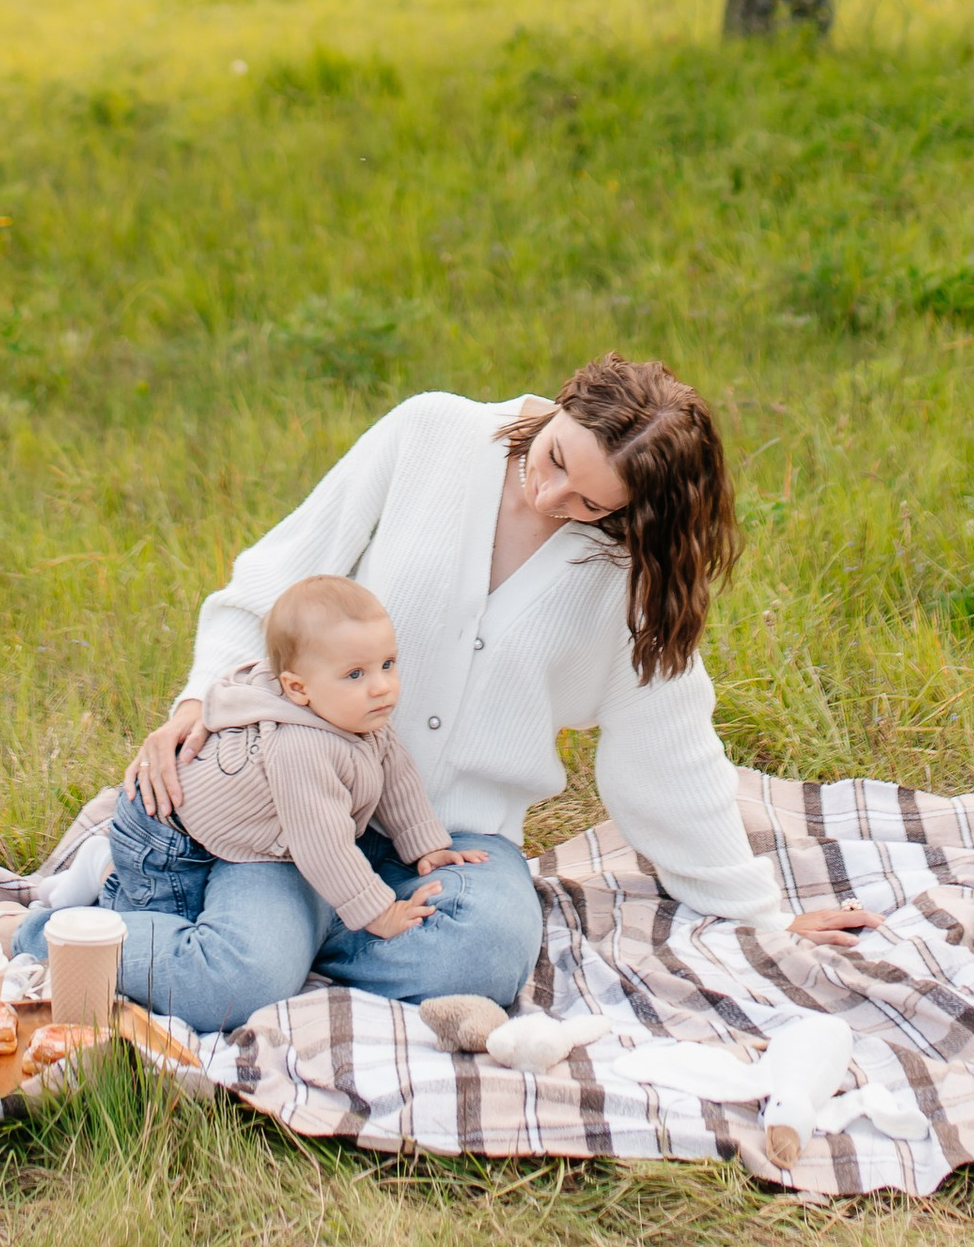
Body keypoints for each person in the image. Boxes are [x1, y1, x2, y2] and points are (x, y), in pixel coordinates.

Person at [101, 354, 878, 1037]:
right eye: (555, 460)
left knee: (486, 953)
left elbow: (669, 755)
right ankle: (116, 940)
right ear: (565, 404)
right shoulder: (430, 433)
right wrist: (198, 699)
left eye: (590, 504)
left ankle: (280, 940)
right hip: (291, 820)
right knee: (241, 978)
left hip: (456, 844)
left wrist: (762, 917)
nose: (551, 498)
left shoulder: (628, 574)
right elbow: (280, 571)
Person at [100, 572, 488, 1005]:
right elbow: (323, 844)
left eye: (387, 665)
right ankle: (85, 917)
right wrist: (378, 912)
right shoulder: (301, 745)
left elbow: (397, 778)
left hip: (237, 838)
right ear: (297, 689)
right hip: (171, 838)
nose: (381, 686)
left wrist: (426, 846)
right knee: (175, 929)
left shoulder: (357, 714)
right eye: (355, 673)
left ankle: (107, 888)